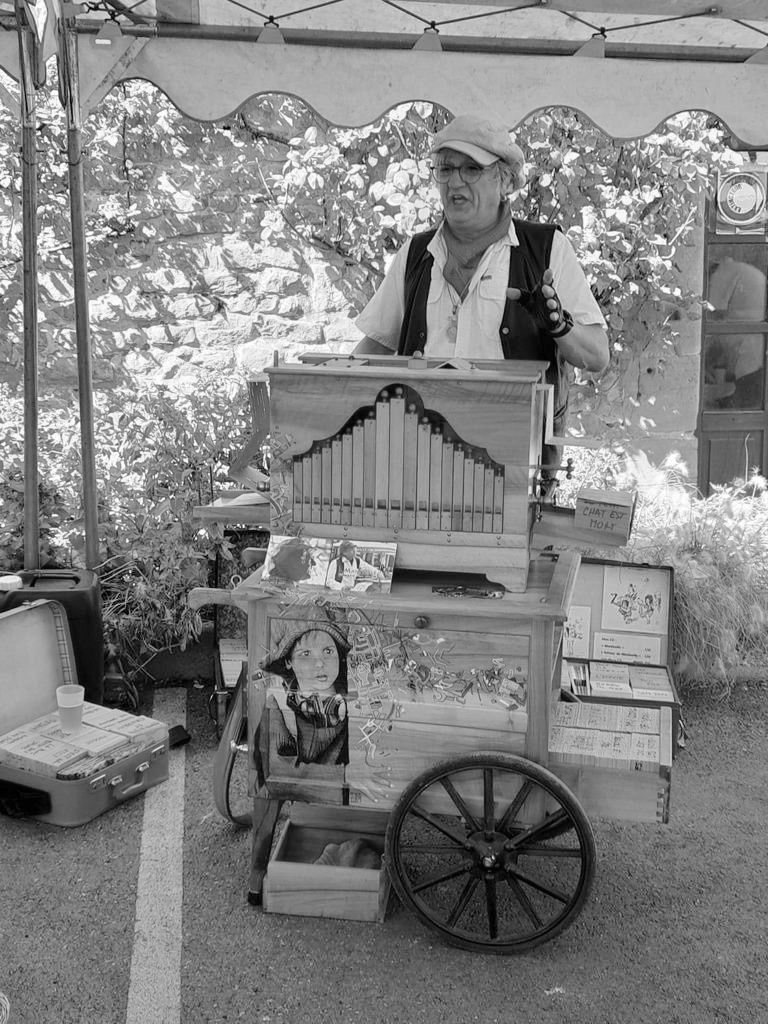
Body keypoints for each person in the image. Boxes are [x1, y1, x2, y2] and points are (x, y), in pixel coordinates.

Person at [354, 113, 610, 490]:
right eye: (445, 168)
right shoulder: (415, 254)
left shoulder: (545, 250)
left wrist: (558, 326)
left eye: (472, 168)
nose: (454, 181)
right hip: (418, 470)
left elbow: (597, 357)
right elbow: (370, 352)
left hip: (512, 475)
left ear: (504, 179)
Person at [261, 620, 351, 766]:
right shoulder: (278, 705)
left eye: (328, 651)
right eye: (306, 654)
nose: (320, 663)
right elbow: (276, 765)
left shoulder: (354, 702)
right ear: (288, 661)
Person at [706, 256, 766, 409]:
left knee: (739, 401)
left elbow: (711, 313)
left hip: (745, 346)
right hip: (754, 347)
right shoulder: (743, 271)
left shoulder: (722, 273)